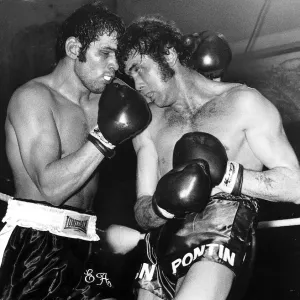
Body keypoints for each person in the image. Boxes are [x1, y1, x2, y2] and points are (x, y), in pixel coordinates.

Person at [117, 15, 300, 300]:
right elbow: (142, 211)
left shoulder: (243, 103)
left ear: (169, 53)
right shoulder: (148, 126)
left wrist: (227, 176)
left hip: (221, 226)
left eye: (140, 69)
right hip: (161, 242)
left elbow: (295, 186)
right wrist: (163, 207)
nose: (137, 84)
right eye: (131, 75)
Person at [0, 2, 151, 300]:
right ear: (73, 49)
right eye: (104, 53)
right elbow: (51, 188)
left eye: (116, 57)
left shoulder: (107, 101)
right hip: (35, 244)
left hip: (88, 241)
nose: (113, 65)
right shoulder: (33, 98)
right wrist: (105, 137)